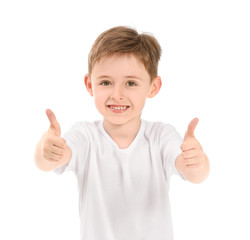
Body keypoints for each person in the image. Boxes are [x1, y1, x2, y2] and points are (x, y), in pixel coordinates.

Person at [34, 26, 210, 240]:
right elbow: (50, 161)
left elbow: (196, 174)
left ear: (153, 87)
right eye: (106, 82)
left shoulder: (161, 137)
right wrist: (47, 150)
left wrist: (197, 161)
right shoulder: (86, 136)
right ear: (90, 85)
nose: (117, 95)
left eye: (131, 83)